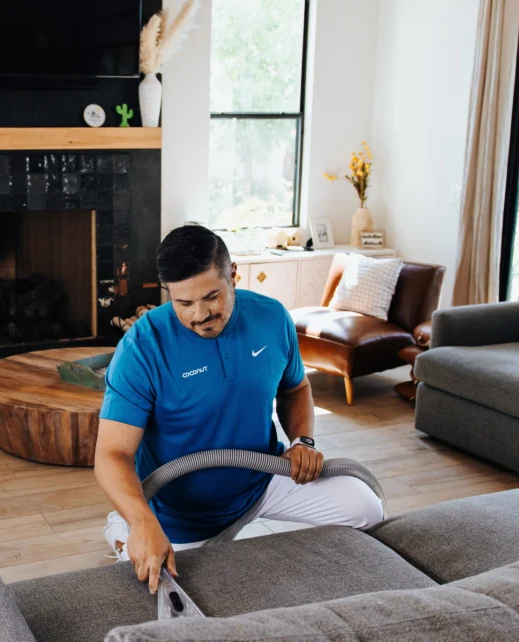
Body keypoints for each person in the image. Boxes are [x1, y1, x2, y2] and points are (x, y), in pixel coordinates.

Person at [95, 225, 384, 594]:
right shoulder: (143, 348)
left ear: (234, 275)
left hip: (261, 477)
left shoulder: (272, 318)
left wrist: (303, 441)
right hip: (181, 514)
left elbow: (296, 387)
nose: (199, 314)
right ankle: (128, 526)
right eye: (184, 303)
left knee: (366, 507)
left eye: (211, 297)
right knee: (163, 588)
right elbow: (111, 453)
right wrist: (143, 522)